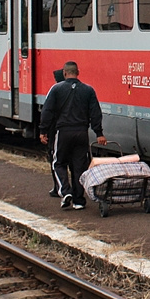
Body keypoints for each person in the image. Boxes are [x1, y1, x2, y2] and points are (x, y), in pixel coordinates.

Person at [38, 61, 106, 210]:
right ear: (78, 72)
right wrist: (99, 133)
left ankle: (65, 191)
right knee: (79, 166)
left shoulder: (56, 89)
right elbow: (95, 113)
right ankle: (79, 201)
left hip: (63, 132)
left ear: (64, 73)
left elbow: (47, 111)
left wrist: (43, 131)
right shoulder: (88, 90)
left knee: (58, 163)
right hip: (82, 133)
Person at [45, 67, 66, 198]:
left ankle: (59, 187)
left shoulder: (54, 91)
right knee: (76, 163)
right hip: (77, 130)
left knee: (56, 160)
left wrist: (43, 130)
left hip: (57, 131)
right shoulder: (79, 90)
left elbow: (47, 112)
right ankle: (77, 190)